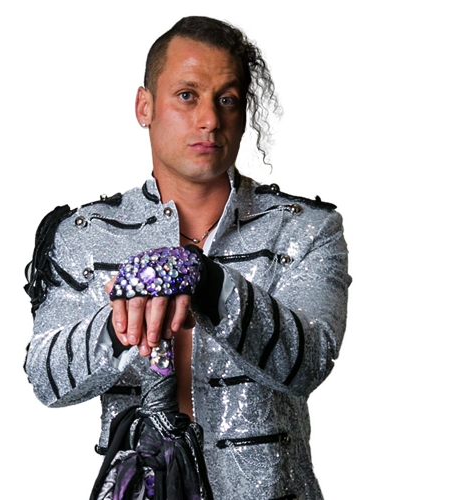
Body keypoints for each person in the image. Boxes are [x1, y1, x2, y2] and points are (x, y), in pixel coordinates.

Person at [22, 13, 352, 500]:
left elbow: (309, 364)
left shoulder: (304, 227)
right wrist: (122, 320)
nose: (210, 120)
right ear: (144, 106)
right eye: (187, 95)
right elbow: (44, 381)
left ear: (244, 115)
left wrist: (208, 281)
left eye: (227, 99)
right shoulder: (84, 234)